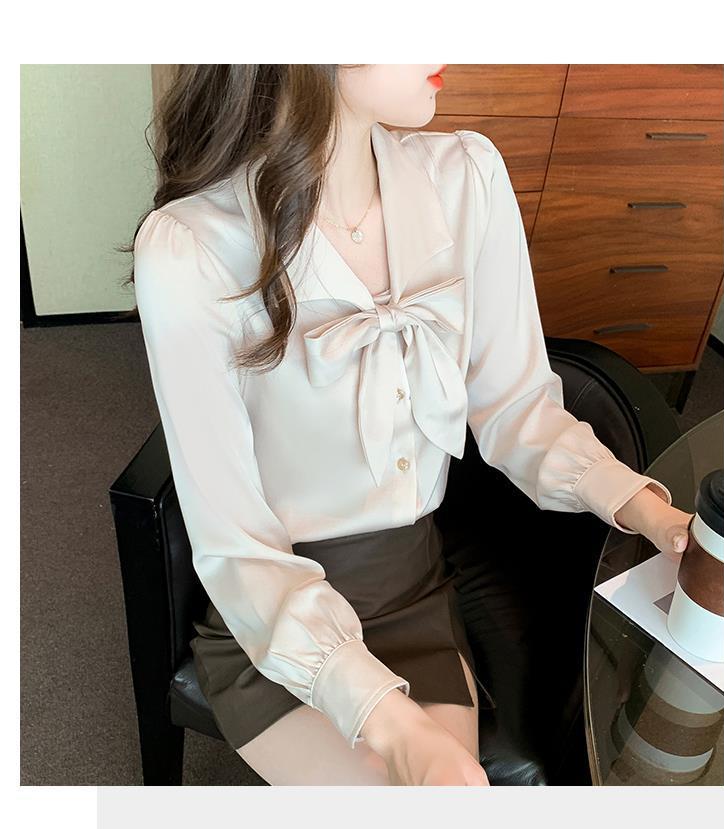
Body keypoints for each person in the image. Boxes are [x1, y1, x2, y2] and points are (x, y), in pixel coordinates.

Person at [128, 64, 692, 786]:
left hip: (413, 590)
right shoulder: (190, 247)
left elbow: (518, 407)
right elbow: (237, 547)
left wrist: (650, 511)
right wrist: (392, 726)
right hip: (273, 611)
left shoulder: (467, 179)